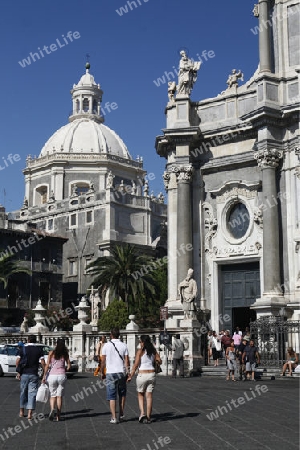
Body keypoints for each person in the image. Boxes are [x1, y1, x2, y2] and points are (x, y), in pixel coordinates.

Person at [101, 327, 131, 424]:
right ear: (119, 335)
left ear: (111, 335)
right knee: (122, 393)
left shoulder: (106, 346)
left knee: (111, 395)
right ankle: (121, 414)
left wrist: (102, 372)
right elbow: (127, 361)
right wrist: (128, 372)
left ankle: (113, 417)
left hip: (110, 373)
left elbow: (103, 361)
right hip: (121, 372)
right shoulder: (124, 345)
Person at [130, 335, 162, 424]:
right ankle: (148, 417)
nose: (140, 343)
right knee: (149, 397)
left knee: (140, 395)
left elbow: (136, 365)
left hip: (142, 375)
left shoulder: (140, 351)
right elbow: (160, 360)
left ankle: (142, 413)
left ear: (143, 342)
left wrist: (130, 376)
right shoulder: (153, 351)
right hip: (151, 374)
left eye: (140, 342)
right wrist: (156, 361)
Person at [16, 335, 45, 420]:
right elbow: (43, 362)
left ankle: (21, 412)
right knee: (32, 394)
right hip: (34, 373)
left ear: (28, 340)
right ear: (35, 341)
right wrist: (44, 373)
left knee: (23, 392)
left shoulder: (22, 349)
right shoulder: (38, 350)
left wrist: (18, 372)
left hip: (24, 373)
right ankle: (29, 414)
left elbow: (17, 360)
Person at [42, 339, 71, 421]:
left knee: (52, 395)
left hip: (52, 376)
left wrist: (44, 376)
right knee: (59, 396)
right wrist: (65, 369)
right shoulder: (65, 354)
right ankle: (58, 416)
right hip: (61, 375)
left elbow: (47, 365)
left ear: (56, 344)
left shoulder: (51, 353)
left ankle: (52, 409)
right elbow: (69, 365)